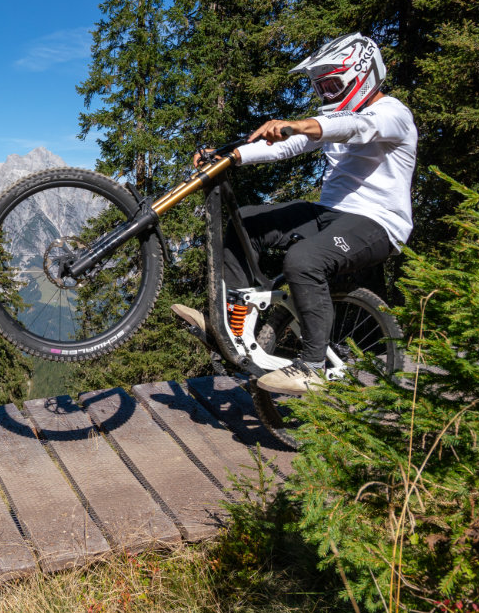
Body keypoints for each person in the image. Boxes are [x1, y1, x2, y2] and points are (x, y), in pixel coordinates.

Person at [172, 33, 417, 394]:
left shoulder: (393, 113)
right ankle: (235, 328)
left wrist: (303, 123)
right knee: (246, 225)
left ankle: (314, 365)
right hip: (329, 212)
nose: (327, 96)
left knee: (303, 260)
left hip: (379, 222)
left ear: (363, 75)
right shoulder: (333, 118)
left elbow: (355, 127)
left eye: (333, 85)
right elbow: (290, 145)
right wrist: (231, 156)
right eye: (321, 88)